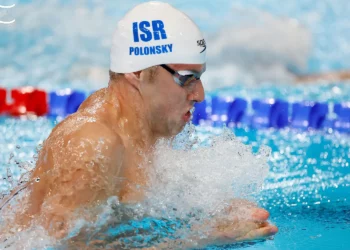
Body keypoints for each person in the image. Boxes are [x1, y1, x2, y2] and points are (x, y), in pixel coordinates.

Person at [1, 1, 277, 248]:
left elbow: (127, 217)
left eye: (200, 77)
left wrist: (211, 211)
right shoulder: (93, 144)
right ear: (138, 73)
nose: (200, 95)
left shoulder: (143, 122)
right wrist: (202, 237)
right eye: (186, 78)